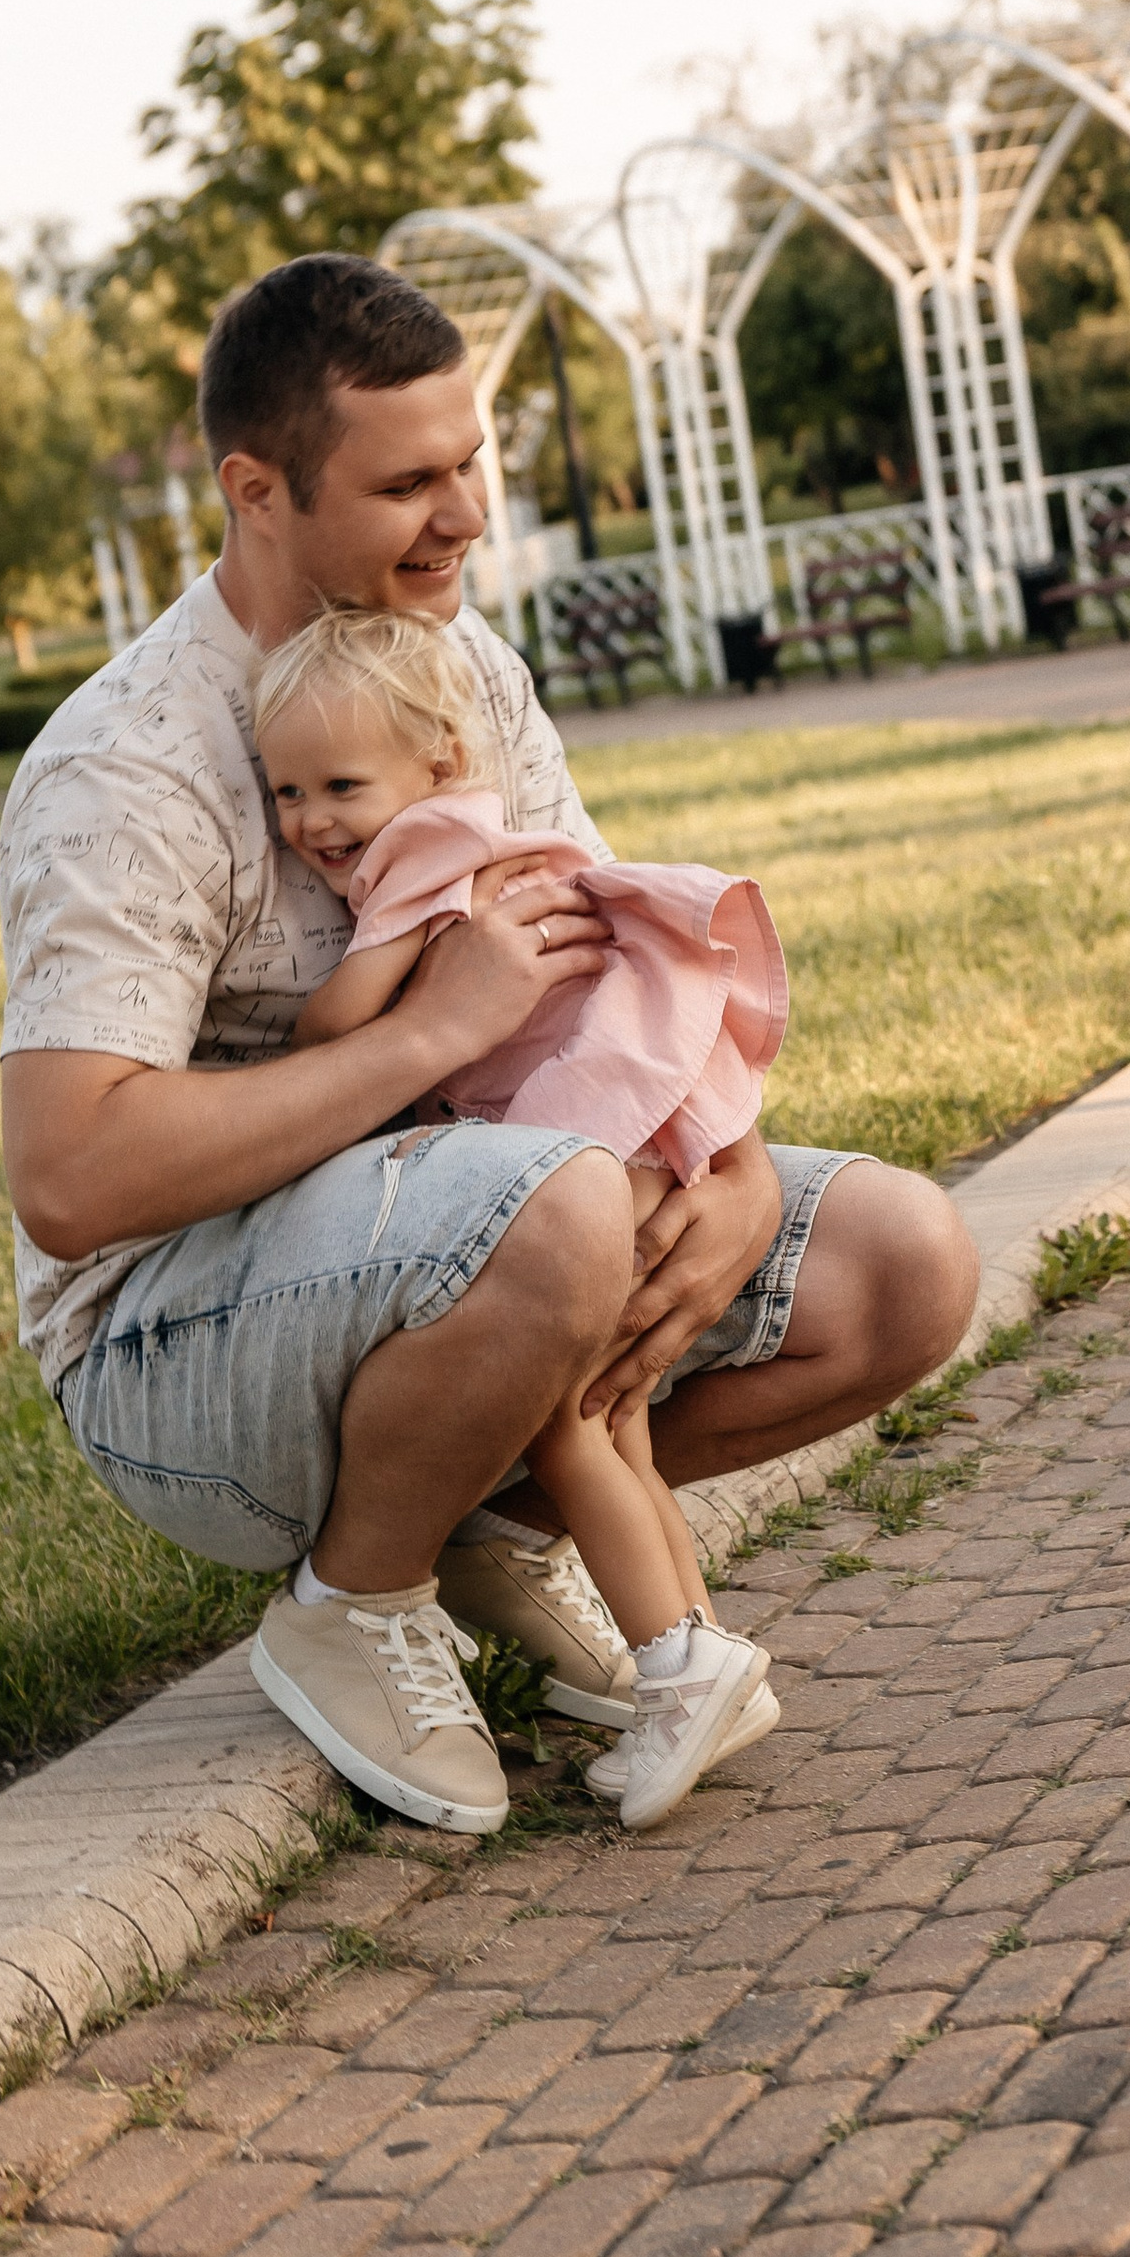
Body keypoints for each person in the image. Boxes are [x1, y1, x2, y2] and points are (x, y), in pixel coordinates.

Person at [0, 250, 978, 1840]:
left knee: (905, 1262)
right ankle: (352, 1599)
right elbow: (70, 1177)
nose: (464, 520)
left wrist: (724, 1170)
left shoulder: (468, 675)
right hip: (173, 1346)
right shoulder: (129, 767)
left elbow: (614, 964)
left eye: (471, 468)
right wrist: (429, 1035)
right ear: (257, 489)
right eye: (408, 485)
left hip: (478, 1227)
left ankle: (478, 1523)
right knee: (563, 1205)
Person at [251, 599, 784, 1828]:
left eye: (338, 784)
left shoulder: (425, 857)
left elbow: (343, 1023)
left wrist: (295, 1029)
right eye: (285, 794)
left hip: (581, 1126)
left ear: (435, 768)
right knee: (615, 1411)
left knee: (563, 1425)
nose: (312, 823)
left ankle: (677, 1666)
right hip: (637, 1113)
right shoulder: (486, 836)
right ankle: (697, 1655)